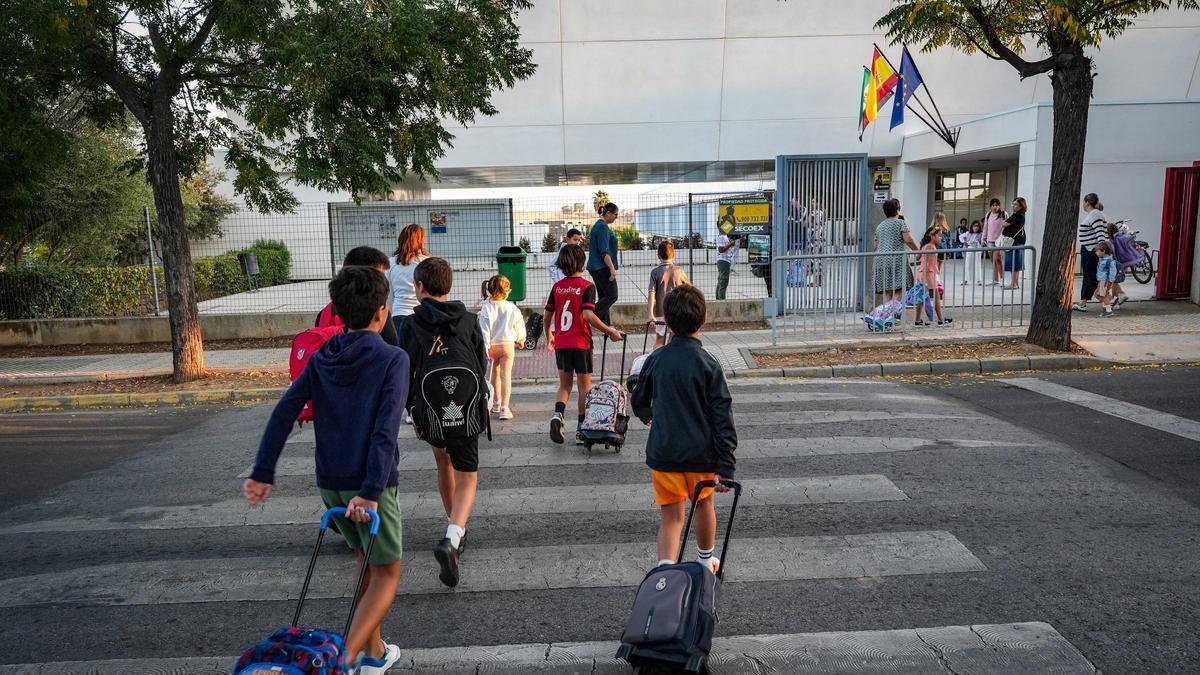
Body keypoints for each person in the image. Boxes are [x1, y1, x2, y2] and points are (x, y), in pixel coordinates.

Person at [244, 266, 408, 675]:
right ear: (382, 312)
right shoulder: (393, 358)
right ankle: (344, 660)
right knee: (388, 572)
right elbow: (385, 431)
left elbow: (286, 410)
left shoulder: (322, 356)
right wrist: (371, 491)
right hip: (371, 484)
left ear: (337, 311)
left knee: (364, 559)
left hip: (330, 482)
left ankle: (374, 654)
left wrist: (263, 470)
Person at [630, 285, 736, 574]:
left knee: (671, 517)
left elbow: (638, 399)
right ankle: (705, 561)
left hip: (664, 453)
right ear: (703, 321)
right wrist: (726, 465)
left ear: (668, 323)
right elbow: (722, 415)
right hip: (701, 454)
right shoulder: (708, 364)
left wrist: (649, 417)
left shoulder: (656, 360)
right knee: (704, 505)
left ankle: (665, 571)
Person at [399, 258, 488, 588]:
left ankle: (455, 529)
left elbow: (404, 370)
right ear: (448, 286)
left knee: (443, 462)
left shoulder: (410, 324)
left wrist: (413, 409)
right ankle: (455, 532)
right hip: (465, 410)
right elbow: (480, 365)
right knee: (468, 476)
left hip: (432, 411)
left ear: (420, 287)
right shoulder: (467, 320)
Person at [545, 244, 623, 446]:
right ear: (583, 263)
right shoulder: (587, 286)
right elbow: (588, 314)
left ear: (561, 265)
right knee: (584, 387)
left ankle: (558, 415)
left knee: (564, 385)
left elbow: (547, 315)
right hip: (581, 343)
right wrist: (610, 330)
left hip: (562, 342)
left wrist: (549, 335)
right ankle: (581, 427)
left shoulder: (557, 287)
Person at [316, 246, 399, 346]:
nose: (383, 282)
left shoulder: (324, 313)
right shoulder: (378, 312)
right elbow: (392, 345)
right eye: (379, 277)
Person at [478, 274, 526, 420]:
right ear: (506, 291)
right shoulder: (511, 308)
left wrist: (485, 347)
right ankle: (505, 408)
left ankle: (497, 403)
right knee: (506, 376)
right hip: (507, 345)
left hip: (492, 345)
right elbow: (519, 324)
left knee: (495, 374)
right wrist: (521, 338)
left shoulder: (486, 308)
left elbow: (484, 330)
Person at [873, 198, 919, 310]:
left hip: (880, 260)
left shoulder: (880, 226)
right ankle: (889, 315)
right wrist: (918, 250)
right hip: (896, 259)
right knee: (900, 289)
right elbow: (908, 240)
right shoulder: (900, 223)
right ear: (898, 210)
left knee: (887, 291)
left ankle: (883, 318)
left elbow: (874, 246)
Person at [387, 223, 430, 337]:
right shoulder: (427, 262)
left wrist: (393, 311)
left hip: (398, 315)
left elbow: (389, 294)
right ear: (420, 241)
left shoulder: (391, 263)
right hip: (421, 316)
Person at [647, 240, 690, 349]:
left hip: (660, 313)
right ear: (674, 255)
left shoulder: (655, 272)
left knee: (659, 340)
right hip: (676, 313)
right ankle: (671, 361)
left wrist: (651, 314)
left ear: (658, 256)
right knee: (673, 339)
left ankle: (658, 361)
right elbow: (690, 289)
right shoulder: (679, 271)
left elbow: (651, 293)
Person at [587, 203, 621, 324]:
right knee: (612, 296)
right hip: (602, 268)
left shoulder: (599, 225)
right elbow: (604, 252)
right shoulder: (602, 227)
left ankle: (606, 328)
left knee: (604, 298)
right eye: (615, 215)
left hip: (596, 267)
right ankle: (587, 318)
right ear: (607, 214)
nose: (616, 217)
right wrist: (612, 269)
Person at [1074, 193, 1108, 312]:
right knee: (1091, 276)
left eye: (1084, 202)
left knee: (1090, 276)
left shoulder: (1095, 214)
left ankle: (1104, 303)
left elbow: (1100, 234)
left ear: (1087, 202)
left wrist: (1101, 251)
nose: (1083, 204)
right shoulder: (1094, 214)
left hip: (1091, 250)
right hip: (1090, 249)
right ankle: (1084, 302)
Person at [915, 226, 951, 326]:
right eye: (939, 236)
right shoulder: (930, 247)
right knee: (936, 296)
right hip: (928, 274)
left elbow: (919, 258)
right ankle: (940, 319)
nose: (941, 238)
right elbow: (926, 262)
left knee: (922, 297)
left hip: (923, 273)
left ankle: (917, 320)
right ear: (932, 236)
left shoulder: (925, 246)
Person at [1002, 198, 1028, 290]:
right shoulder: (1018, 215)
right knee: (1015, 263)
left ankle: (1014, 283)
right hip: (1016, 241)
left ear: (1021, 205)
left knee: (1014, 263)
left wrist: (1007, 222)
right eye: (1013, 204)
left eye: (1016, 204)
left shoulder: (1018, 215)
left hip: (1015, 241)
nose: (1013, 206)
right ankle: (1015, 283)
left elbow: (1004, 224)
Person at [982, 198, 1007, 285]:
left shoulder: (1003, 214)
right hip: (989, 240)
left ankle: (1003, 279)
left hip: (999, 241)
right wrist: (983, 238)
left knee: (998, 259)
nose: (995, 207)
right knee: (993, 261)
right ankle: (996, 280)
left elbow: (1006, 226)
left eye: (996, 205)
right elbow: (985, 227)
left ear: (999, 206)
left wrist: (1004, 237)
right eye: (993, 205)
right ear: (990, 206)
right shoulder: (988, 215)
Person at [1095, 241, 1119, 317]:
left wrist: (1110, 282)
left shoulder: (1109, 261)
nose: (1096, 253)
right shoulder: (1102, 259)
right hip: (1101, 280)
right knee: (1097, 294)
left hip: (1105, 281)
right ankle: (1107, 306)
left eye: (1097, 251)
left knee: (1103, 296)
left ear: (1103, 251)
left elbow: (1113, 272)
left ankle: (1108, 310)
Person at [959, 220, 985, 286]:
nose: (976, 228)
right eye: (974, 226)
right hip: (969, 249)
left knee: (978, 264)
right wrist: (964, 242)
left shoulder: (981, 234)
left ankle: (979, 280)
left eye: (977, 226)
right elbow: (960, 236)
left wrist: (982, 244)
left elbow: (983, 241)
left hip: (977, 250)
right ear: (972, 226)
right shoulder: (968, 233)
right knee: (967, 264)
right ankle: (966, 279)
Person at [715, 232, 739, 300]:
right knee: (723, 282)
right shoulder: (721, 237)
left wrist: (731, 242)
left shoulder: (725, 236)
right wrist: (730, 244)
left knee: (721, 281)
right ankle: (722, 300)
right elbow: (721, 250)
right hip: (723, 261)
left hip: (725, 260)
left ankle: (718, 299)